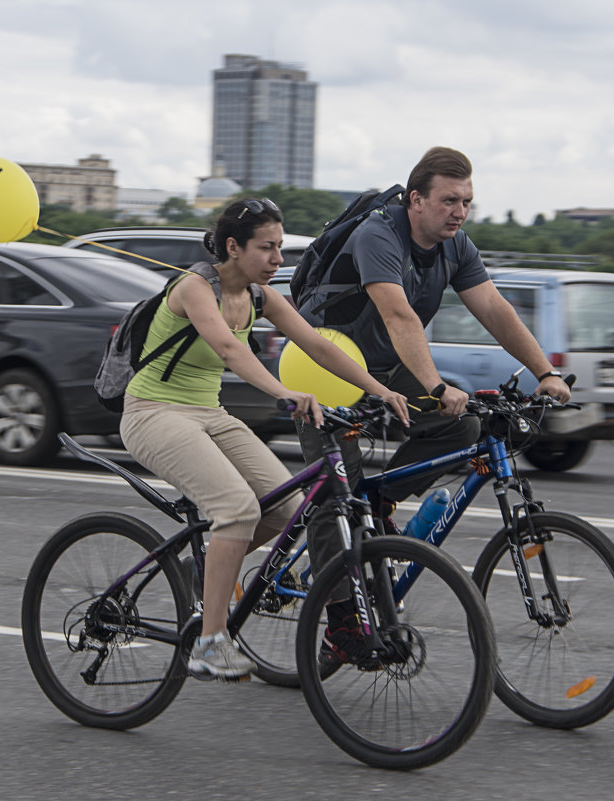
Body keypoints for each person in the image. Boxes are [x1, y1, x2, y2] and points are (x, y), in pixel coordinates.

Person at [295, 146, 572, 667]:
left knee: (462, 428)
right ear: (416, 200)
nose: (459, 212)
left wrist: (546, 372)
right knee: (338, 497)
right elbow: (399, 316)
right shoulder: (378, 234)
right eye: (449, 200)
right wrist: (437, 385)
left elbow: (493, 308)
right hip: (327, 364)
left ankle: (381, 502)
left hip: (388, 365)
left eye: (467, 201)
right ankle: (341, 624)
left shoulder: (456, 246)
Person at [118, 197, 410, 681]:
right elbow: (231, 350)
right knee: (236, 508)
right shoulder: (194, 287)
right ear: (233, 247)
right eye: (267, 248)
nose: (278, 259)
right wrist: (285, 392)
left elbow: (316, 343)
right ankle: (210, 643)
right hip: (153, 413)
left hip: (208, 413)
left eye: (280, 247)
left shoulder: (259, 296)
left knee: (288, 507)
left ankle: (210, 566)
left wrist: (381, 390)